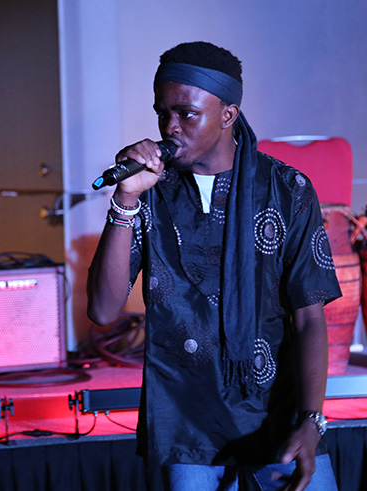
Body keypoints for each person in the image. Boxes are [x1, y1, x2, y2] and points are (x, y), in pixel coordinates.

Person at [86, 41, 342, 491]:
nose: (170, 127)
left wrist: (311, 419)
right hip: (184, 420)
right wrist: (125, 199)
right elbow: (104, 310)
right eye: (161, 113)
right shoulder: (151, 192)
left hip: (277, 415)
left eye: (187, 113)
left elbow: (309, 318)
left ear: (228, 114)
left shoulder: (286, 189)